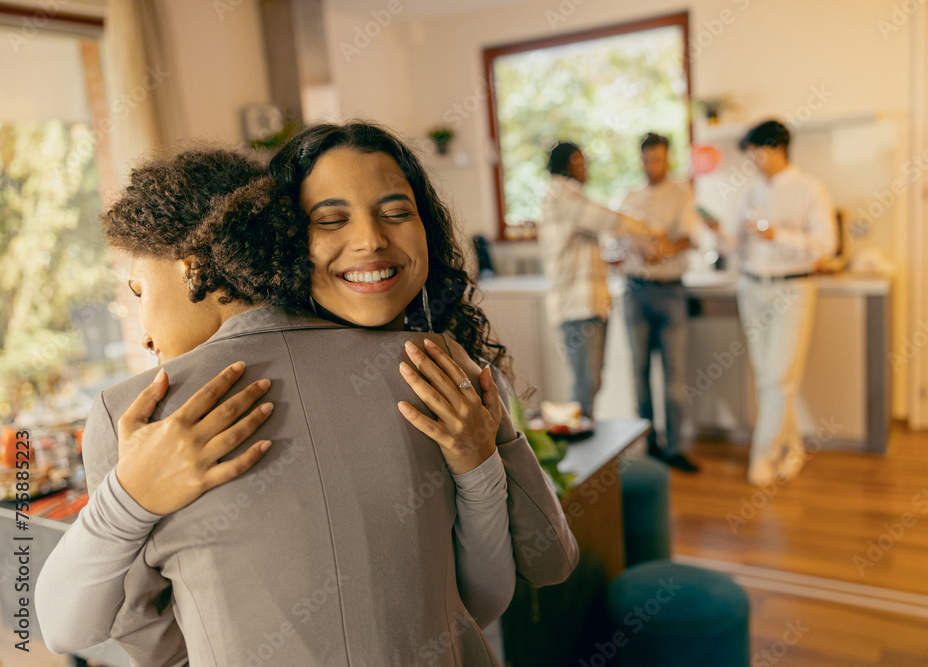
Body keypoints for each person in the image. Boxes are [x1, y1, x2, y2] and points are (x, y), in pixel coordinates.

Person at [38, 126, 578, 664]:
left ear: (195, 266)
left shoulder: (135, 415)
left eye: (138, 293)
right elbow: (469, 606)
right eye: (330, 219)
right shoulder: (439, 363)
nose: (145, 333)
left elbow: (134, 642)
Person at [723, 120, 836, 485]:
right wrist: (724, 235)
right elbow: (735, 245)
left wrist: (777, 235)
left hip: (793, 289)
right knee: (769, 379)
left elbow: (825, 245)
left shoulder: (810, 189)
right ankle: (794, 449)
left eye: (756, 151)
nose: (752, 160)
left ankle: (763, 456)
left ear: (777, 148)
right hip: (752, 288)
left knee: (778, 377)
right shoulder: (750, 192)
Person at [538, 141, 659, 418]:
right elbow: (608, 219)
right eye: (580, 162)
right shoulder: (562, 195)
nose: (586, 169)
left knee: (591, 383)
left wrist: (608, 259)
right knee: (586, 384)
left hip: (588, 304)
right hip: (576, 305)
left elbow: (579, 248)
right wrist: (648, 230)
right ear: (566, 166)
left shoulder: (570, 196)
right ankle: (577, 457)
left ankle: (583, 451)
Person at [617, 132, 701, 473]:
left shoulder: (683, 194)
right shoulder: (629, 197)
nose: (653, 165)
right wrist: (639, 247)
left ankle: (675, 446)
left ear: (668, 158)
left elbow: (688, 238)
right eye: (648, 159)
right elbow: (620, 241)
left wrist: (663, 248)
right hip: (635, 291)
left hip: (671, 293)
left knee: (674, 375)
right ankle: (648, 443)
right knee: (638, 372)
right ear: (641, 159)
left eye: (659, 158)